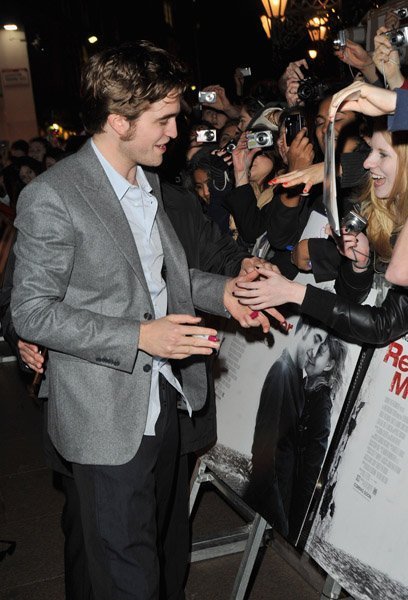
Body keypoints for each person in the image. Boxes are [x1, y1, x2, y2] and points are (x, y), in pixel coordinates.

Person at [10, 40, 275, 600]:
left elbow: (164, 278)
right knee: (126, 581)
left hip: (165, 401)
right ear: (118, 121)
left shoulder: (147, 181)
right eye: (163, 119)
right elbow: (31, 310)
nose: (175, 132)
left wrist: (224, 291)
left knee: (160, 565)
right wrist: (138, 337)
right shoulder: (53, 196)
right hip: (104, 419)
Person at [244, 318, 328, 537]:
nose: (314, 352)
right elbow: (263, 448)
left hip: (281, 489)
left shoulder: (295, 376)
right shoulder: (281, 371)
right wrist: (279, 516)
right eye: (315, 340)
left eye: (321, 346)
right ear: (304, 329)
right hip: (271, 492)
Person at [288, 334, 347, 543]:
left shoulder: (321, 402)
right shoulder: (302, 385)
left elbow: (314, 459)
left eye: (320, 352)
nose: (312, 354)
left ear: (329, 365)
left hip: (292, 488)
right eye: (315, 347)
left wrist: (296, 518)